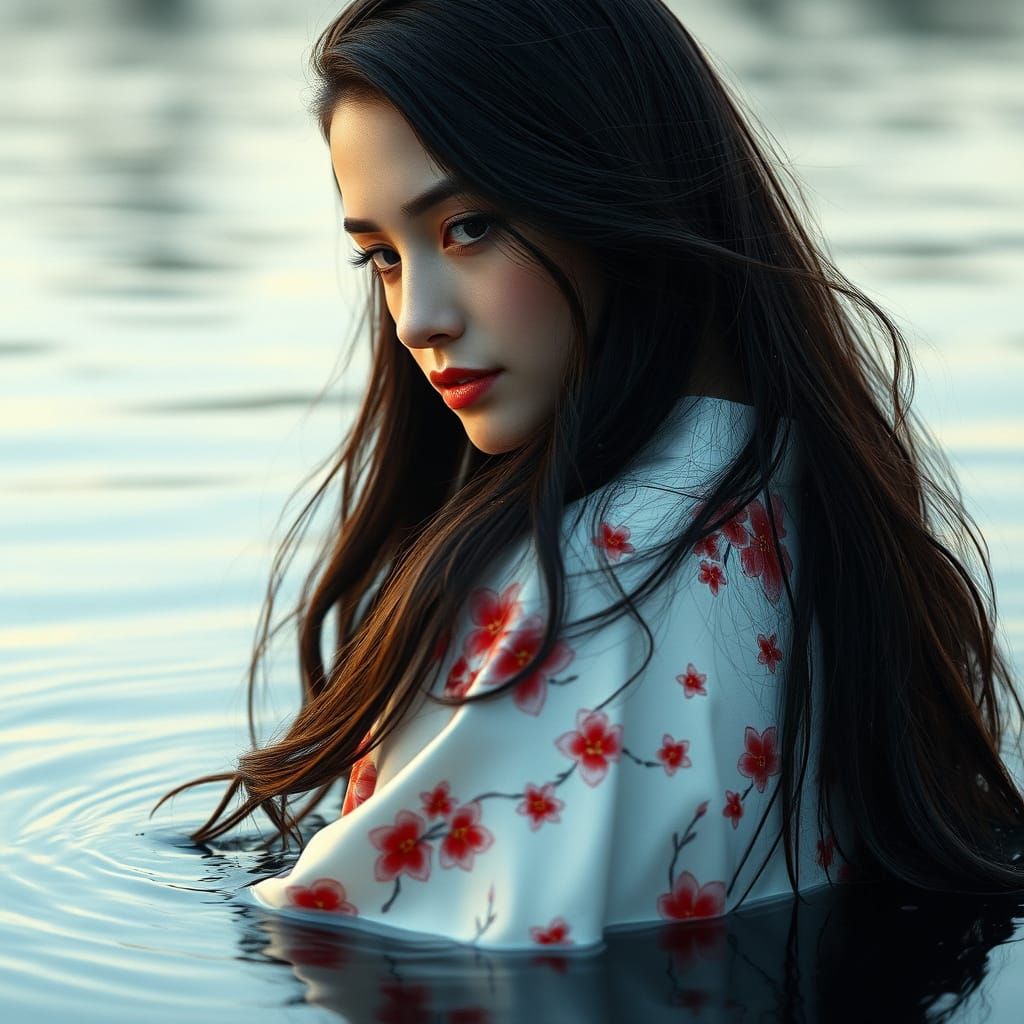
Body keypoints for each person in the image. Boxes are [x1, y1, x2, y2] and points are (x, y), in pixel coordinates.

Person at [153, 0, 1024, 951]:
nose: (416, 320)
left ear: (613, 194)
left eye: (468, 226)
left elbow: (379, 943)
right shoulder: (802, 484)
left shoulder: (580, 588)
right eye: (382, 258)